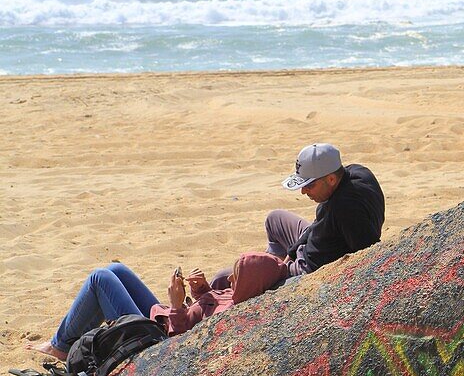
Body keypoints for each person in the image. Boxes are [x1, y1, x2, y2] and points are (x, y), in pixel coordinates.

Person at [26, 252, 287, 361]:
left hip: (154, 341)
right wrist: (201, 290)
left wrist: (176, 304)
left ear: (251, 285)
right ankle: (65, 340)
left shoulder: (234, 314)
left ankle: (59, 346)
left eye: (236, 277)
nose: (230, 279)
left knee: (100, 279)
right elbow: (208, 305)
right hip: (160, 320)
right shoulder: (240, 293)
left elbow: (187, 342)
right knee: (117, 269)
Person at [266, 142, 385, 277]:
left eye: (309, 185)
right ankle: (279, 264)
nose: (303, 191)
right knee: (274, 219)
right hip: (315, 241)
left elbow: (369, 252)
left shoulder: (345, 208)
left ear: (331, 179)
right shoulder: (358, 172)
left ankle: (277, 272)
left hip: (309, 267)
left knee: (252, 268)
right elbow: (318, 222)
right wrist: (292, 252)